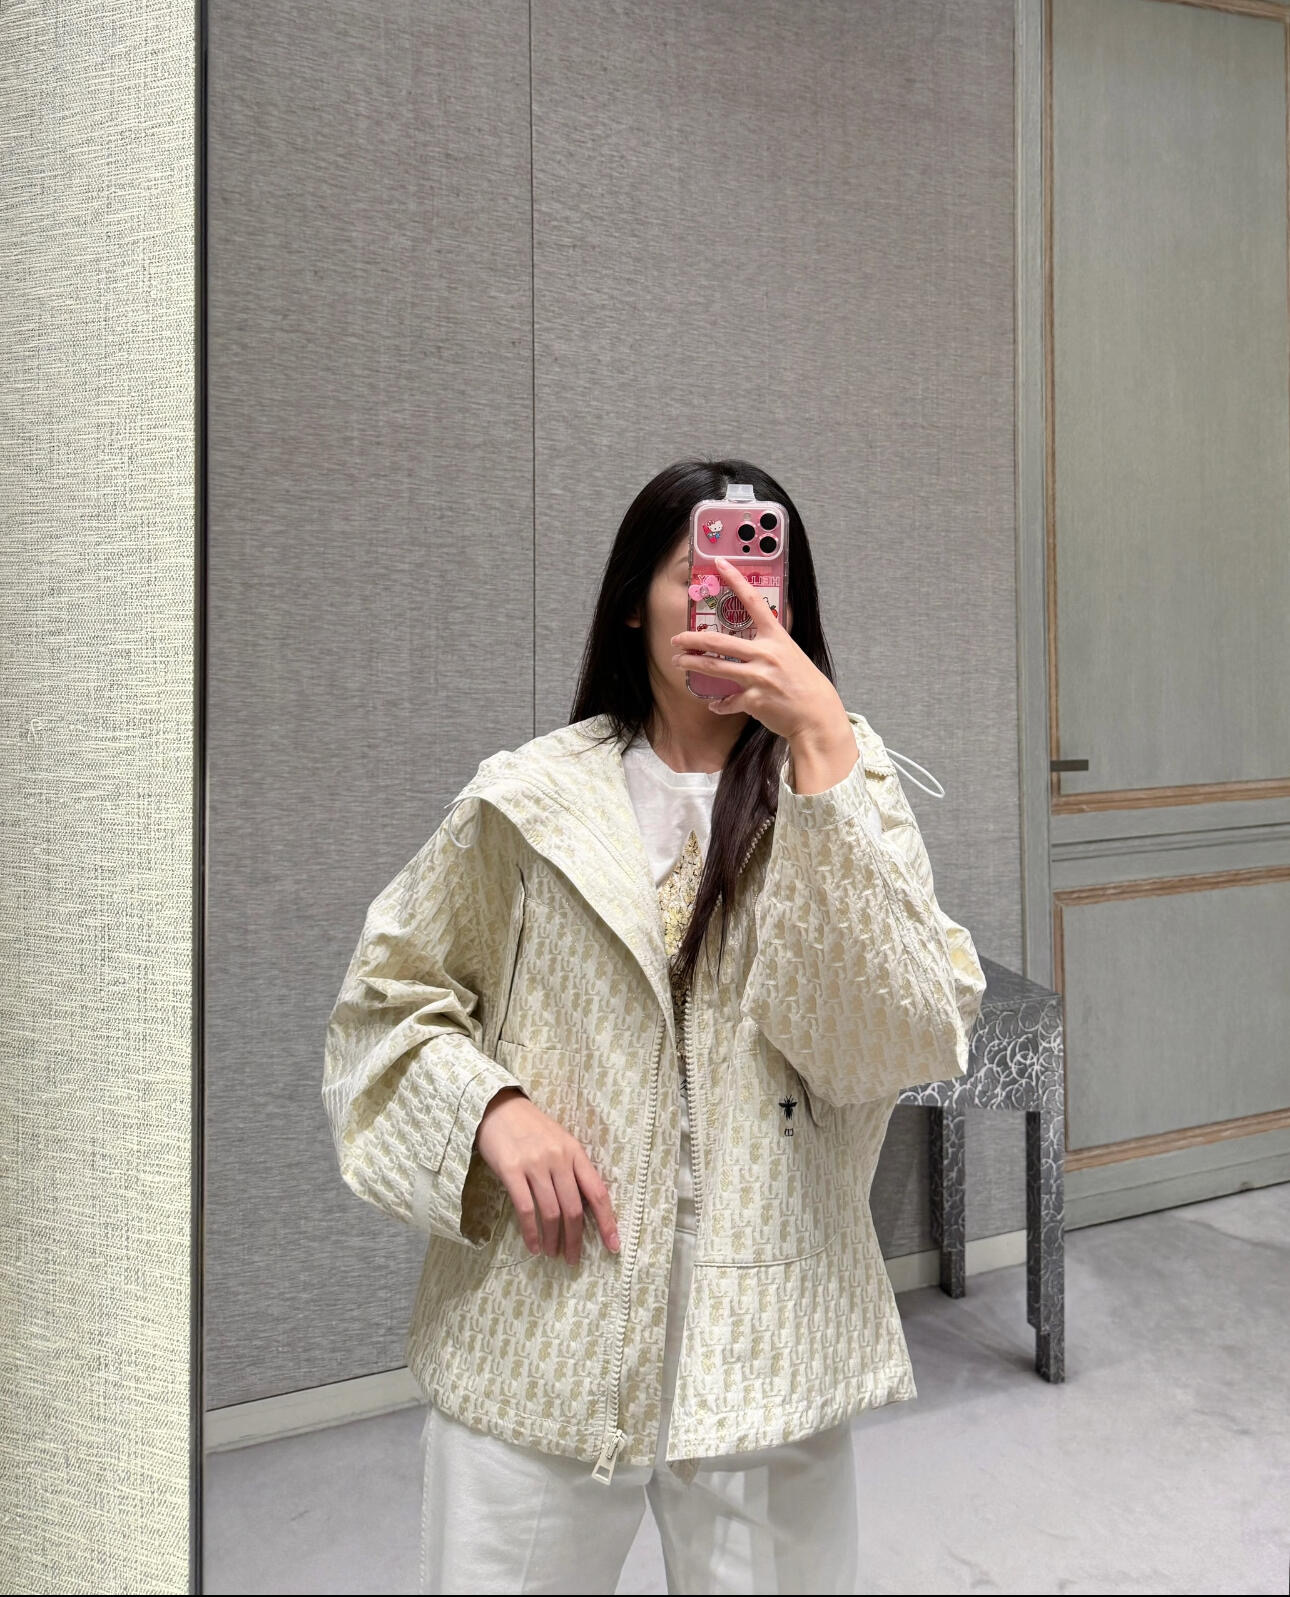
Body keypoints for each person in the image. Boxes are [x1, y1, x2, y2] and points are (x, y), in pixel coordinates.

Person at [322, 457, 987, 1595]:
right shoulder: (529, 799)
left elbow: (888, 1037)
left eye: (758, 579)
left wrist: (823, 750)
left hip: (767, 1319)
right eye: (698, 575)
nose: (731, 602)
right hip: (546, 1305)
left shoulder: (844, 785)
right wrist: (491, 1107)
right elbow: (385, 1001)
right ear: (636, 599)